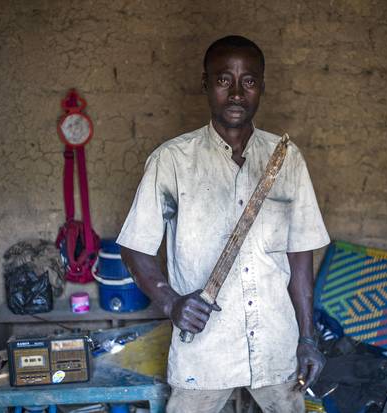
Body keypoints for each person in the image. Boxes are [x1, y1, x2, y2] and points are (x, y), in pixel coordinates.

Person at [118, 35, 329, 413]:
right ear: (205, 84)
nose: (235, 93)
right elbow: (134, 246)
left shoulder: (287, 159)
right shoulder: (172, 161)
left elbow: (300, 255)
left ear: (261, 86)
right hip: (204, 352)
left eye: (248, 81)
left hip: (276, 347)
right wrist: (170, 302)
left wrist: (307, 337)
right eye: (223, 80)